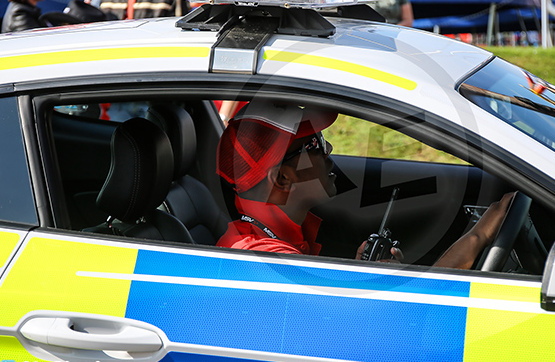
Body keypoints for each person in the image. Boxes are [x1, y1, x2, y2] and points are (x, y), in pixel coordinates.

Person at [216, 101, 513, 270]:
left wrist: (364, 274)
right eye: (315, 145)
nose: (329, 150)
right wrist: (479, 237)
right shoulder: (264, 260)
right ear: (282, 178)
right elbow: (401, 322)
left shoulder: (277, 238)